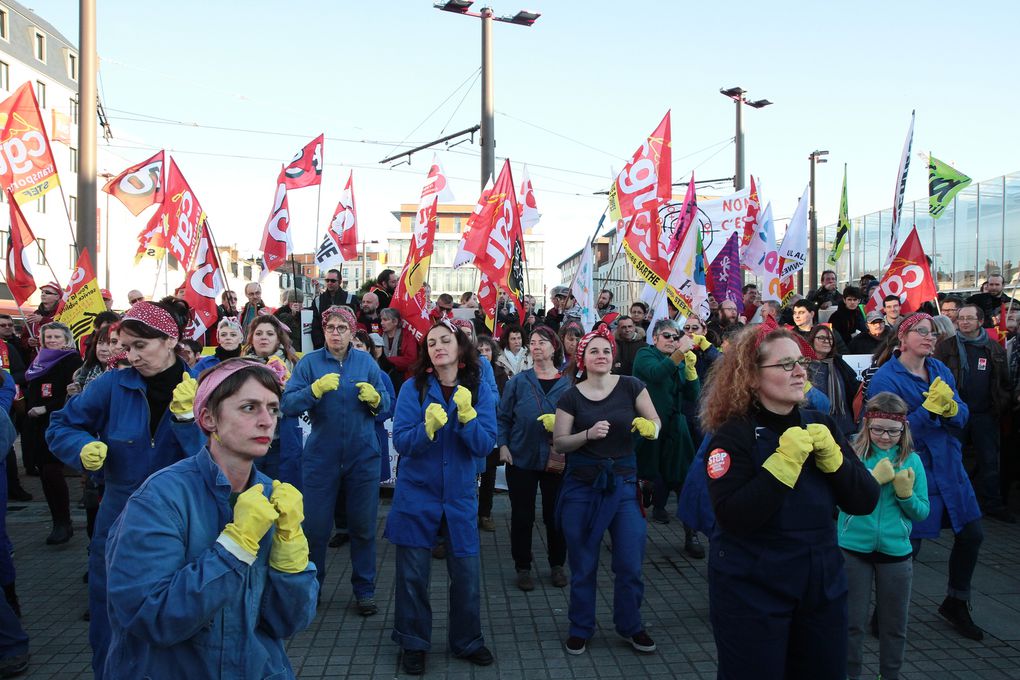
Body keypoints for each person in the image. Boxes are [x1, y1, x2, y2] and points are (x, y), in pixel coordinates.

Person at [102, 358, 318, 678]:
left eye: (272, 408)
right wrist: (234, 548)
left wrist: (292, 559)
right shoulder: (160, 498)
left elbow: (287, 622)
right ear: (208, 418)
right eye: (249, 407)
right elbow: (152, 617)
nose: (265, 421)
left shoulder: (272, 497)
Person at [700, 322, 879, 679]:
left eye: (801, 362)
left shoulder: (820, 425)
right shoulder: (733, 435)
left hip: (820, 582)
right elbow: (734, 516)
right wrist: (782, 466)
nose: (800, 371)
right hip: (753, 585)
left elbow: (865, 500)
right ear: (751, 377)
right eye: (785, 365)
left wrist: (837, 462)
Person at [46, 300, 204, 679]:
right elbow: (61, 426)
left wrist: (187, 422)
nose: (129, 356)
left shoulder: (201, 387)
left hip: (183, 523)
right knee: (109, 619)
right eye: (125, 346)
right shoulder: (111, 385)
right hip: (118, 521)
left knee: (180, 616)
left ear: (169, 340)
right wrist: (80, 447)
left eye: (140, 346)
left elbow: (216, 460)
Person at [385, 320, 497, 675]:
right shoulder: (411, 389)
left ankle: (467, 640)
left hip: (460, 496)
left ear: (461, 347)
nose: (437, 346)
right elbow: (402, 441)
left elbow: (484, 445)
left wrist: (467, 418)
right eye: (431, 342)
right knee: (413, 575)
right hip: (417, 496)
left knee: (465, 574)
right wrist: (426, 428)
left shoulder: (478, 391)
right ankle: (413, 642)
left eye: (445, 340)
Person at [867, 312, 986, 640]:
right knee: (908, 547)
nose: (929, 336)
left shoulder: (940, 369)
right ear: (902, 338)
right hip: (913, 470)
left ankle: (956, 601)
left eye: (932, 332)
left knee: (972, 534)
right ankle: (884, 612)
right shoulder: (885, 379)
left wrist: (950, 409)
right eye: (920, 331)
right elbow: (886, 432)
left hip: (950, 467)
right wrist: (930, 410)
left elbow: (963, 415)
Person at [552, 325, 662, 656]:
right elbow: (559, 442)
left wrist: (650, 428)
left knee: (630, 562)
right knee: (583, 563)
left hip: (625, 485)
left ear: (613, 357)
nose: (602, 355)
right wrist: (586, 435)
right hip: (582, 487)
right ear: (581, 358)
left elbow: (656, 423)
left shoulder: (631, 386)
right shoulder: (570, 395)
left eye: (606, 350)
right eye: (594, 350)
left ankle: (630, 625)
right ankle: (580, 627)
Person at [281, 306, 389, 615]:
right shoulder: (310, 364)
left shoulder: (366, 362)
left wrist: (377, 400)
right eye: (331, 327)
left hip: (362, 457)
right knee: (315, 528)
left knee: (363, 527)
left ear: (353, 333)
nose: (336, 333)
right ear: (324, 331)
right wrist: (313, 391)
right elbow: (288, 404)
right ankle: (312, 590)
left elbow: (387, 406)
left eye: (342, 327)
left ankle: (364, 590)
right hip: (321, 458)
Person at [840, 392, 929, 680]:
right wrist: (870, 481)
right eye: (878, 429)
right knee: (851, 624)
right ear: (866, 425)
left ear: (903, 429)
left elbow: (922, 512)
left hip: (896, 552)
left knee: (894, 626)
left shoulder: (912, 461)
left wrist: (905, 496)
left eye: (893, 431)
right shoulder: (852, 453)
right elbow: (838, 501)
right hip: (853, 549)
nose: (885, 437)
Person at [496, 326, 570, 591]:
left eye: (543, 342)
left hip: (556, 458)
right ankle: (523, 567)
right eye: (533, 342)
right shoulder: (519, 381)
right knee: (522, 514)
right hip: (521, 457)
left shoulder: (568, 382)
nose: (536, 346)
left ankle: (557, 564)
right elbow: (503, 416)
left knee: (555, 515)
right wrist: (503, 445)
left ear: (555, 347)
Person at [933, 304, 1014, 522]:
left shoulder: (994, 348)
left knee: (989, 461)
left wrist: (999, 405)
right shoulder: (945, 347)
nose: (965, 322)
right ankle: (950, 506)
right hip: (955, 414)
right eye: (961, 318)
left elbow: (1004, 383)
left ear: (980, 321)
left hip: (985, 414)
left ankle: (992, 505)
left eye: (970, 318)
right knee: (952, 460)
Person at [632, 319, 702, 554]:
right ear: (655, 338)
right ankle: (626, 535)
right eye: (667, 336)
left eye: (675, 336)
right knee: (639, 482)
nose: (672, 340)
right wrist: (681, 353)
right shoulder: (645, 354)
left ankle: (691, 535)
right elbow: (657, 374)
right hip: (649, 428)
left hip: (675, 428)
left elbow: (693, 394)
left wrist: (691, 372)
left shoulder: (679, 361)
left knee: (684, 482)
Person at [24, 322, 82, 545]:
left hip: (58, 421)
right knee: (44, 471)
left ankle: (63, 522)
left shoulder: (72, 361)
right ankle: (58, 519)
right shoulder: (40, 360)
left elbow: (73, 394)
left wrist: (46, 408)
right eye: (48, 337)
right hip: (36, 424)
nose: (52, 340)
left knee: (51, 471)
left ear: (67, 339)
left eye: (57, 336)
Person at [244, 315, 302, 487]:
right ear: (252, 338)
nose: (263, 337)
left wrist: (285, 392)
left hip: (282, 441)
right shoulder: (240, 365)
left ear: (278, 339)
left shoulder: (293, 365)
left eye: (269, 334)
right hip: (249, 440)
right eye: (259, 333)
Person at [476, 335, 507, 534]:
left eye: (487, 350)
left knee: (488, 475)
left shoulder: (500, 374)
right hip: (471, 427)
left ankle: (485, 514)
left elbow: (500, 401)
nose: (484, 354)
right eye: (480, 350)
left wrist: (485, 393)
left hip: (491, 428)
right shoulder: (469, 370)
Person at [807, 325, 861, 437]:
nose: (827, 341)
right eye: (822, 338)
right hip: (817, 428)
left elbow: (854, 386)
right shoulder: (805, 366)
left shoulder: (838, 363)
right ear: (812, 340)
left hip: (845, 427)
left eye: (830, 339)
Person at [378, 307, 418, 385]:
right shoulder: (378, 335)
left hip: (403, 380)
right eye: (381, 320)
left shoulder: (407, 336)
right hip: (381, 378)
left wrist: (388, 360)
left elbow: (411, 360)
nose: (382, 323)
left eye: (385, 320)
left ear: (395, 322)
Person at [21, 282, 60, 353]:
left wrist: (43, 320)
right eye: (42, 292)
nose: (43, 294)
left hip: (58, 358)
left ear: (57, 297)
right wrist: (28, 342)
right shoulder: (35, 313)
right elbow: (23, 337)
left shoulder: (62, 312)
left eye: (48, 292)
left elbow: (65, 328)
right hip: (37, 358)